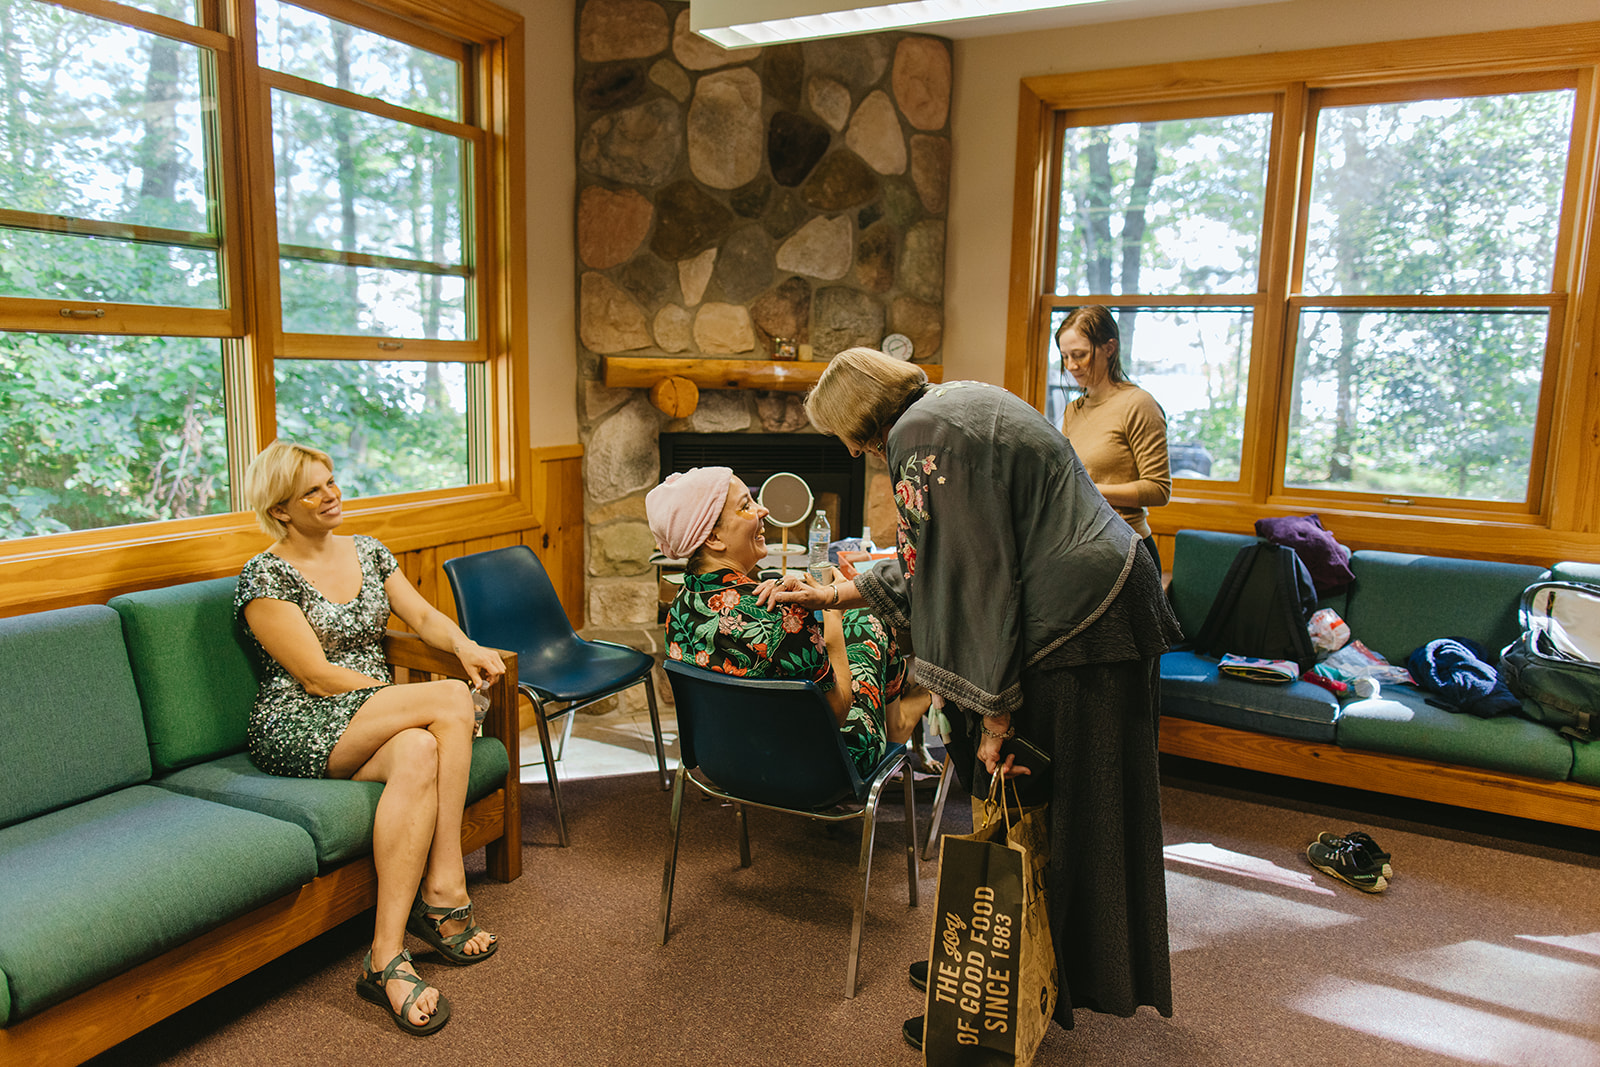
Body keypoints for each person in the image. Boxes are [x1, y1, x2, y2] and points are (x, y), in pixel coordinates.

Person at [759, 349, 1181, 1047]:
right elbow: (944, 558)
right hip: (1097, 603)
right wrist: (837, 590)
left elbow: (980, 581)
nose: (848, 450)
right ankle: (988, 966)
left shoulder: (920, 437)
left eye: (842, 434)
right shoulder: (949, 404)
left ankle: (1002, 1001)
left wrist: (996, 713)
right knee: (1029, 812)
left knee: (1042, 806)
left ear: (857, 418)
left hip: (1079, 623)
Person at [235, 441, 506, 1036]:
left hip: (368, 715)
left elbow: (425, 619)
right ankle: (446, 885)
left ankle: (384, 958)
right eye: (313, 490)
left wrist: (464, 646)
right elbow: (314, 674)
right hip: (302, 719)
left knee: (420, 748)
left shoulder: (369, 551)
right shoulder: (264, 575)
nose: (332, 495)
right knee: (453, 698)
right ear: (280, 509)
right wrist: (404, 701)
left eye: (331, 481)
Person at [646, 466, 928, 777]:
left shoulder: (680, 606)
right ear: (713, 537)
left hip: (728, 761)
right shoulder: (783, 616)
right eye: (746, 505)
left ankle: (898, 721)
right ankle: (903, 719)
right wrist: (833, 610)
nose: (763, 509)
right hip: (817, 769)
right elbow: (839, 709)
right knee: (866, 615)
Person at [1056, 305, 1172, 569]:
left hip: (1128, 548)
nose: (1071, 366)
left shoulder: (1138, 404)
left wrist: (1088, 490)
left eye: (1080, 355)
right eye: (1064, 357)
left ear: (1109, 348)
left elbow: (1158, 489)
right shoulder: (1074, 410)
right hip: (1086, 546)